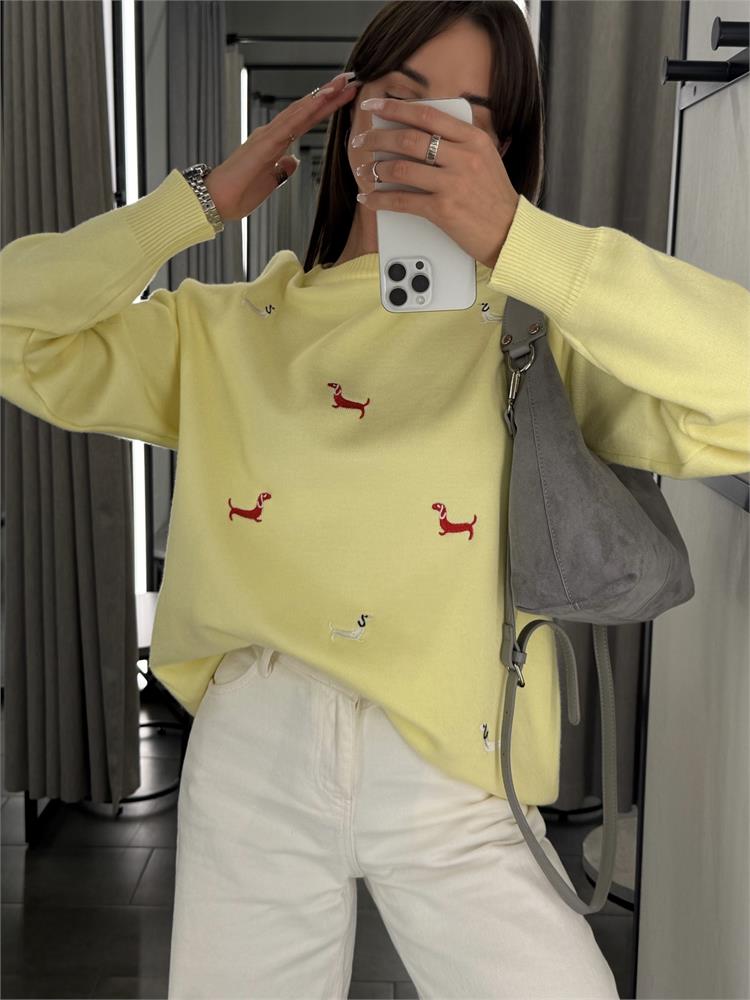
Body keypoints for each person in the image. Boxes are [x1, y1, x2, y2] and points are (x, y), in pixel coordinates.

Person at [2, 2, 748, 998]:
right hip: (254, 753)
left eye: (461, 112)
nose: (424, 129)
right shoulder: (226, 330)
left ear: (501, 145)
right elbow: (15, 330)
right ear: (348, 115)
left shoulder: (538, 334)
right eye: (398, 96)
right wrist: (197, 205)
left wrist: (522, 240)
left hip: (460, 774)